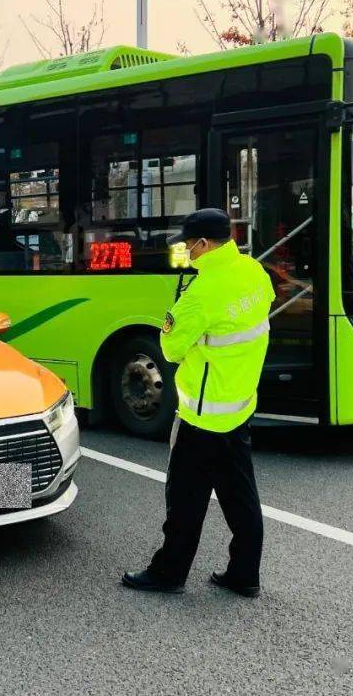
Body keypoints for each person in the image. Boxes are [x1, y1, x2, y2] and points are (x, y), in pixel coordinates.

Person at [122, 208, 275, 598]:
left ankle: (168, 573)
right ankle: (244, 575)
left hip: (201, 416)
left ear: (204, 244)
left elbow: (171, 350)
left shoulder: (201, 294)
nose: (186, 253)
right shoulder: (254, 272)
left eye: (189, 246)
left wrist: (177, 314)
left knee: (184, 502)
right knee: (241, 498)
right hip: (238, 406)